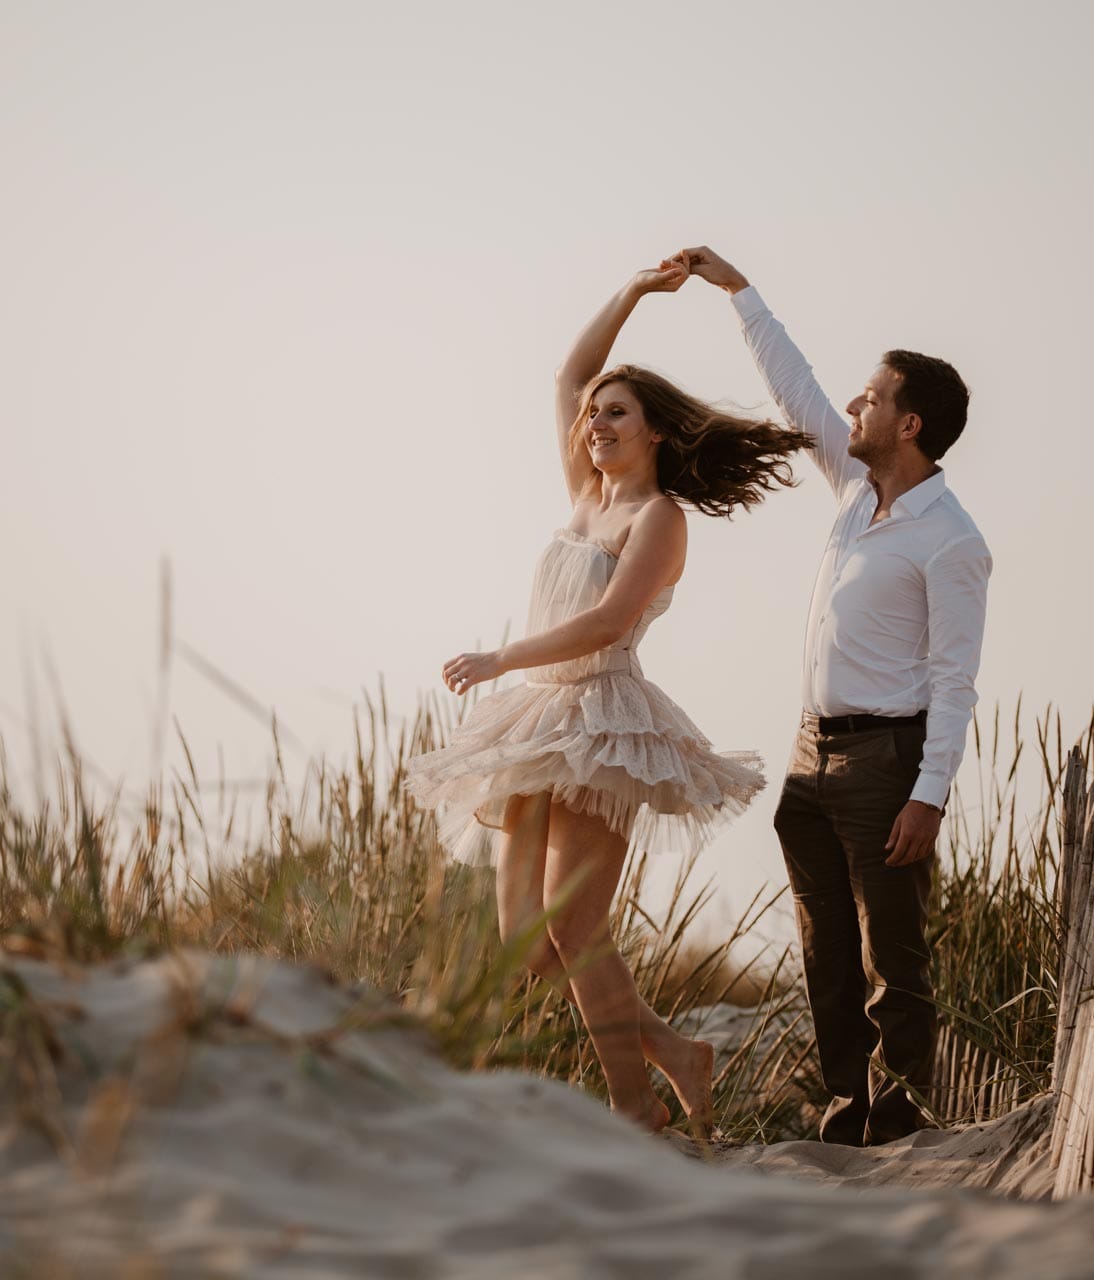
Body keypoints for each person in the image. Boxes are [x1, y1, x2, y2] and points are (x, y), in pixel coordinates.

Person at [405, 259, 806, 1135]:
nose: (595, 422)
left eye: (616, 411)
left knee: (579, 928)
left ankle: (636, 1107)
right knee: (531, 943)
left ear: (655, 431)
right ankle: (677, 1054)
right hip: (535, 723)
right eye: (594, 414)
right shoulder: (585, 497)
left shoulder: (658, 519)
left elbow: (605, 624)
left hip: (601, 720)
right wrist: (631, 294)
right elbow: (566, 375)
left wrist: (502, 655)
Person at [675, 244, 991, 1147]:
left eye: (873, 398)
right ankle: (847, 1110)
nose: (854, 406)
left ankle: (904, 1119)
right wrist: (739, 292)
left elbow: (954, 680)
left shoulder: (952, 541)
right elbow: (797, 388)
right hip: (811, 756)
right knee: (825, 956)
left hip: (887, 763)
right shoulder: (856, 493)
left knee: (893, 956)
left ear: (910, 423)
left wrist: (929, 793)